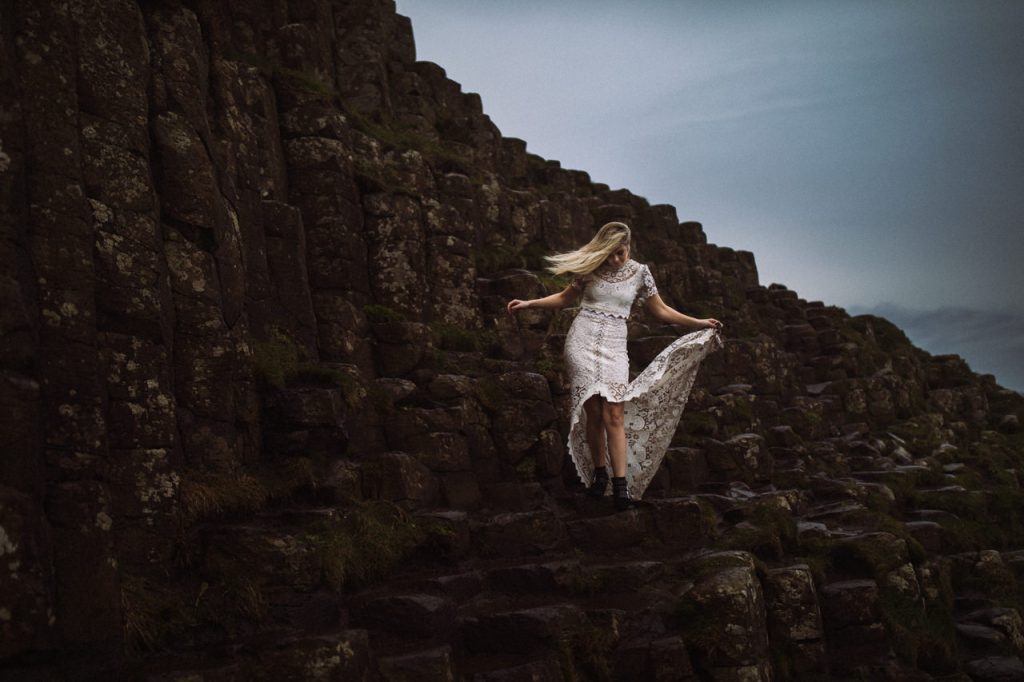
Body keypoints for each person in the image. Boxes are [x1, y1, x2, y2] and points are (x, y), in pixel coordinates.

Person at [506, 222, 724, 510]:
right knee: (593, 412)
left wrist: (698, 323)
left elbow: (660, 310)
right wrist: (530, 303)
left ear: (629, 248)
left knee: (615, 413)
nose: (615, 260)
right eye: (610, 254)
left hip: (614, 348)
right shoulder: (590, 269)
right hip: (581, 342)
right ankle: (599, 476)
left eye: (620, 253)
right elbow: (564, 298)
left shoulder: (641, 273)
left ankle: (620, 486)